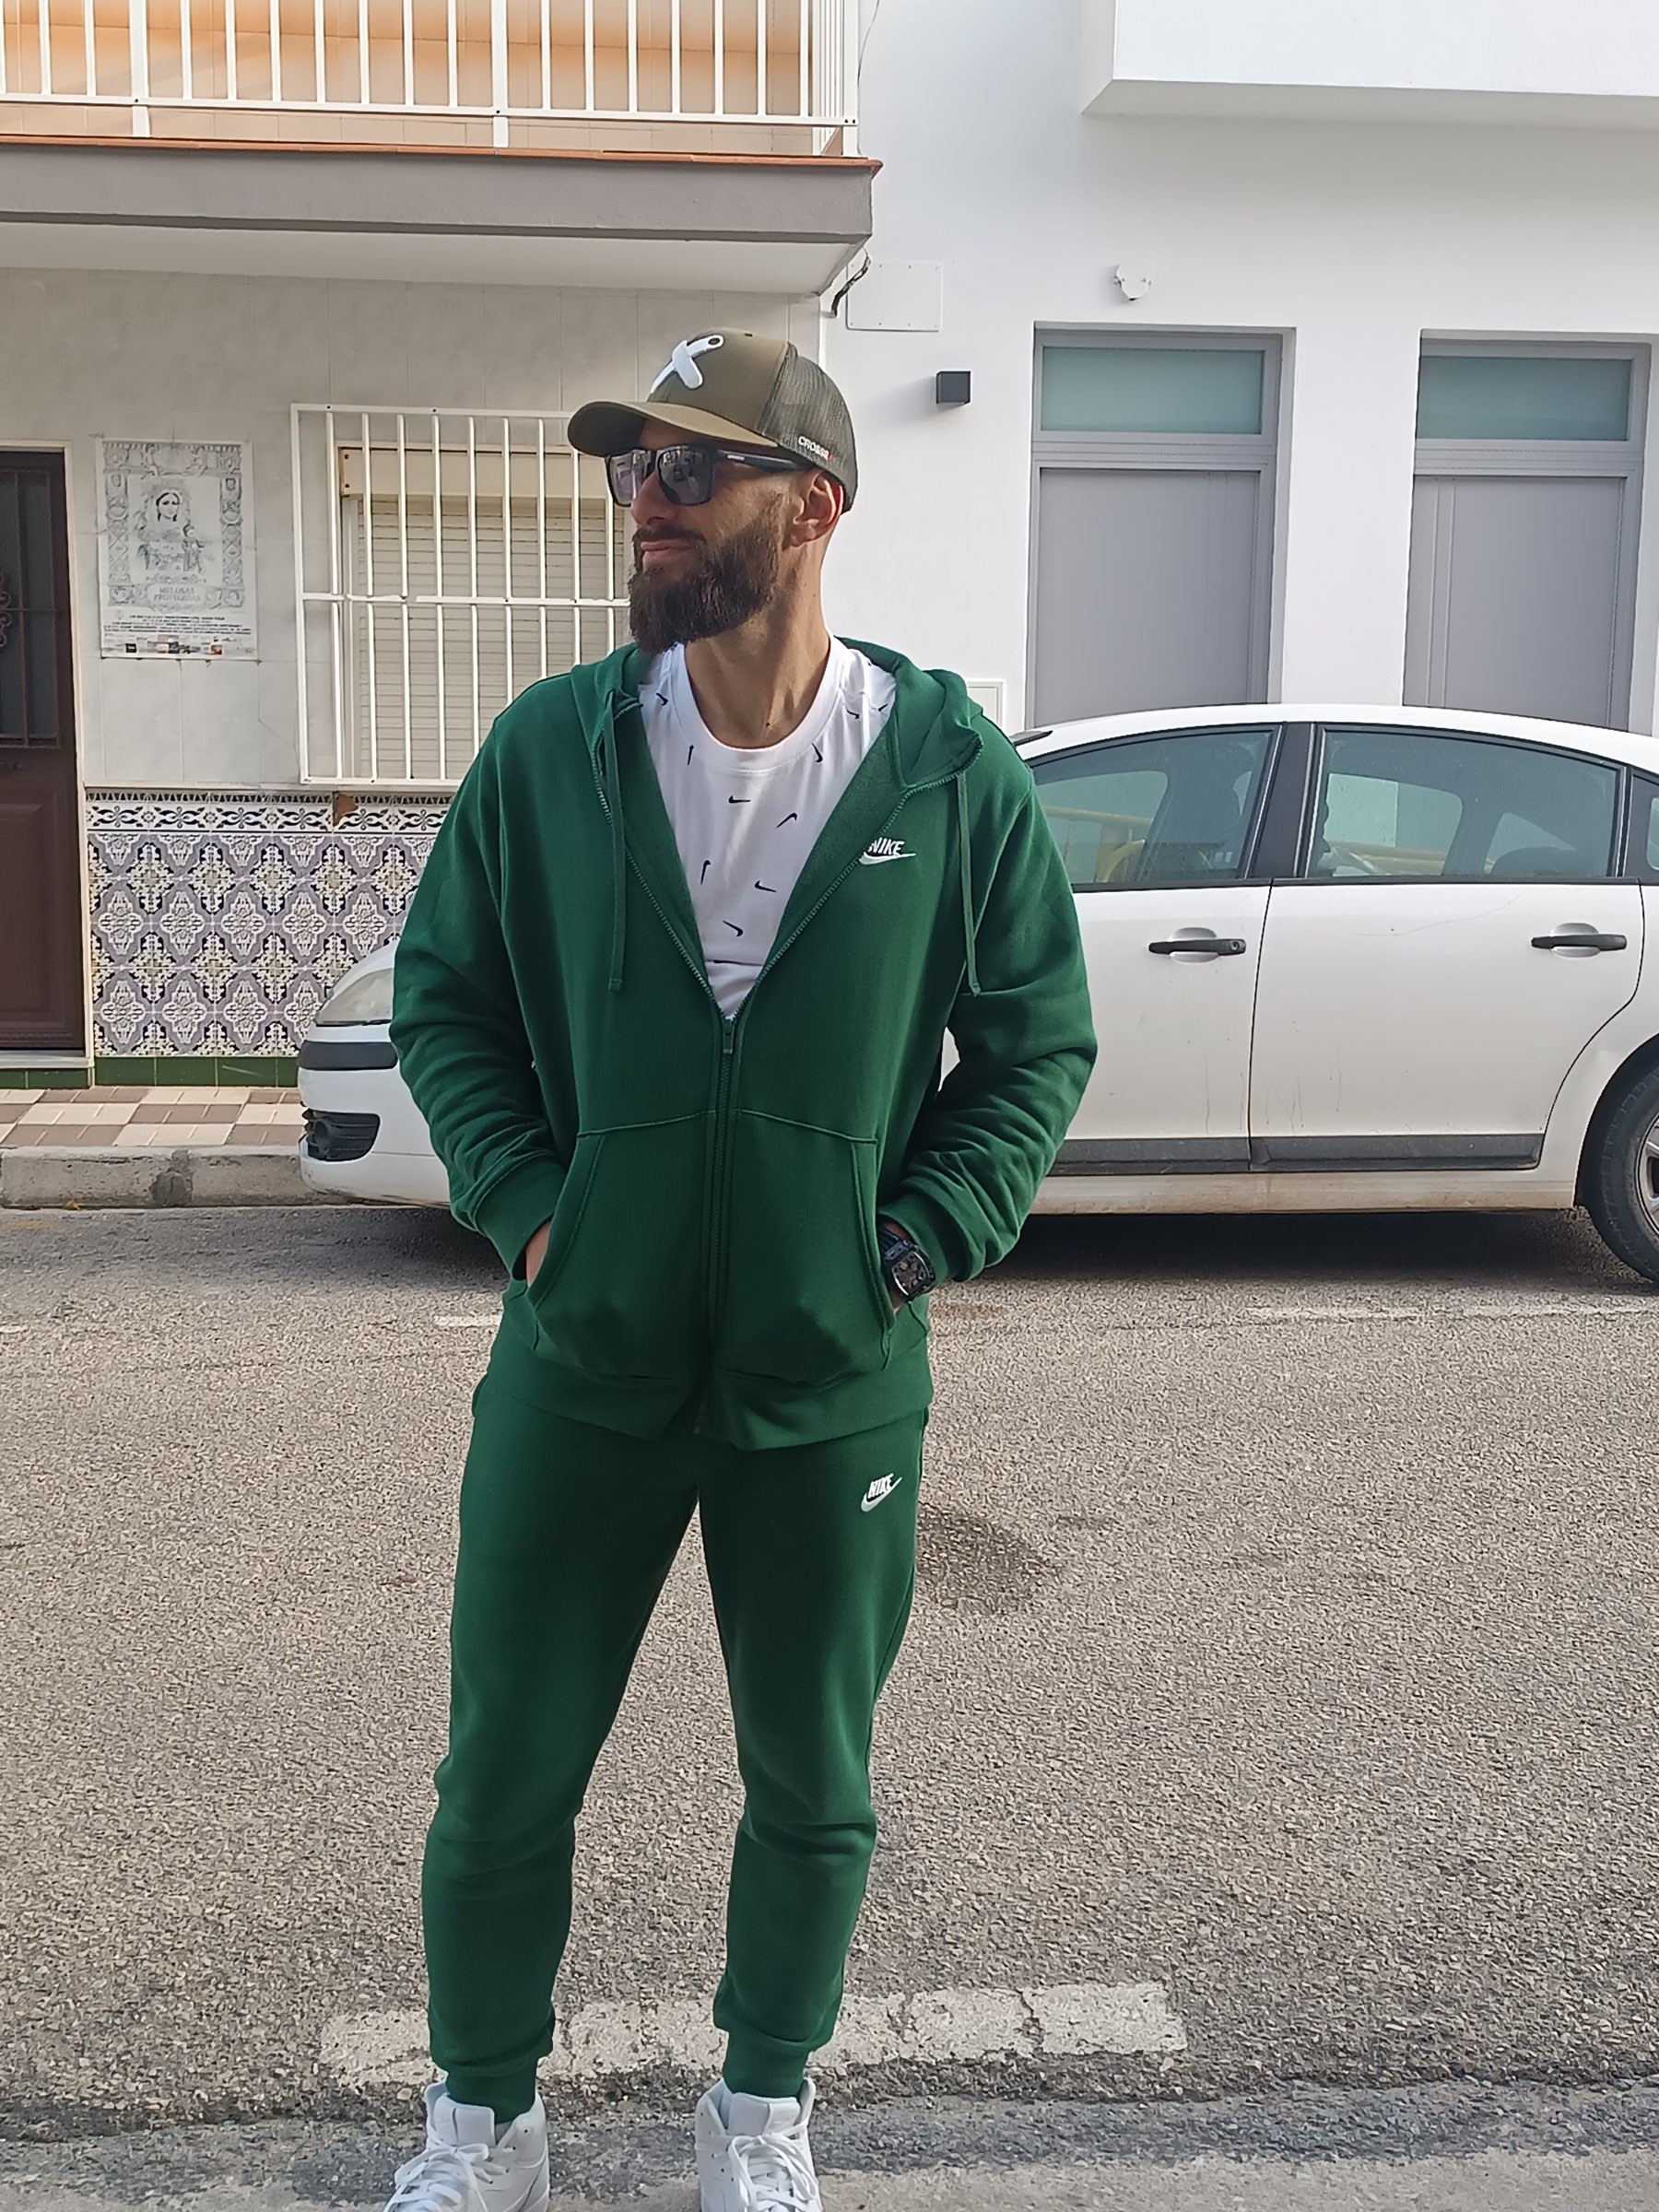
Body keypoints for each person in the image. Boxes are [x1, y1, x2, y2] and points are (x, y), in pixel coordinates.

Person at [385, 331, 1096, 2212]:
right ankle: (484, 2125)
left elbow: (1036, 1047)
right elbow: (445, 1001)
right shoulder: (553, 751)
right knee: (501, 1776)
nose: (648, 504)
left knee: (813, 1783)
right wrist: (535, 1207)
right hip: (582, 1367)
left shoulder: (947, 771)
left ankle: (760, 2112)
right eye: (635, 471)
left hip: (827, 1381)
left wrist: (917, 1237)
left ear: (814, 505)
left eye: (692, 471)